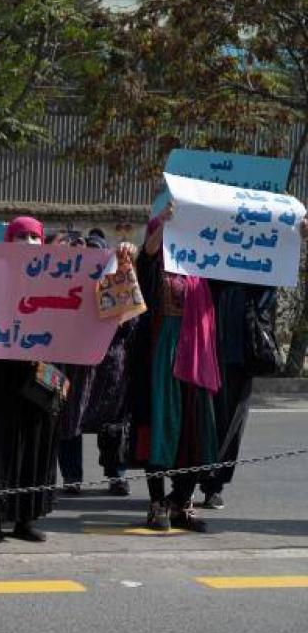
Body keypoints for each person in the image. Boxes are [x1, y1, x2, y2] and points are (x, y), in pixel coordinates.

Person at [0, 216, 60, 542]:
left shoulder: (55, 279)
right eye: (21, 236)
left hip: (40, 375)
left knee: (34, 446)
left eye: (34, 237)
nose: (28, 243)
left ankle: (25, 518)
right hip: (0, 376)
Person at [130, 204, 218, 532]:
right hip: (159, 362)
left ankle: (180, 502)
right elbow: (149, 254)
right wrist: (166, 221)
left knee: (195, 433)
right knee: (158, 430)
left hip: (196, 361)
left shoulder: (200, 268)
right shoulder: (154, 267)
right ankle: (156, 505)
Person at [57, 232, 138, 496]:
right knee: (70, 420)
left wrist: (123, 271)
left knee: (113, 423)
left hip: (110, 366)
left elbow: (130, 324)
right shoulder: (66, 282)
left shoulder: (116, 278)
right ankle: (72, 477)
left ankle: (116, 476)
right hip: (75, 364)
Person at [200, 282, 279, 509]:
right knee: (200, 418)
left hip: (241, 352)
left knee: (232, 423)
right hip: (204, 346)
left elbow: (268, 296)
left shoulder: (257, 272)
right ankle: (186, 483)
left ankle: (213, 485)